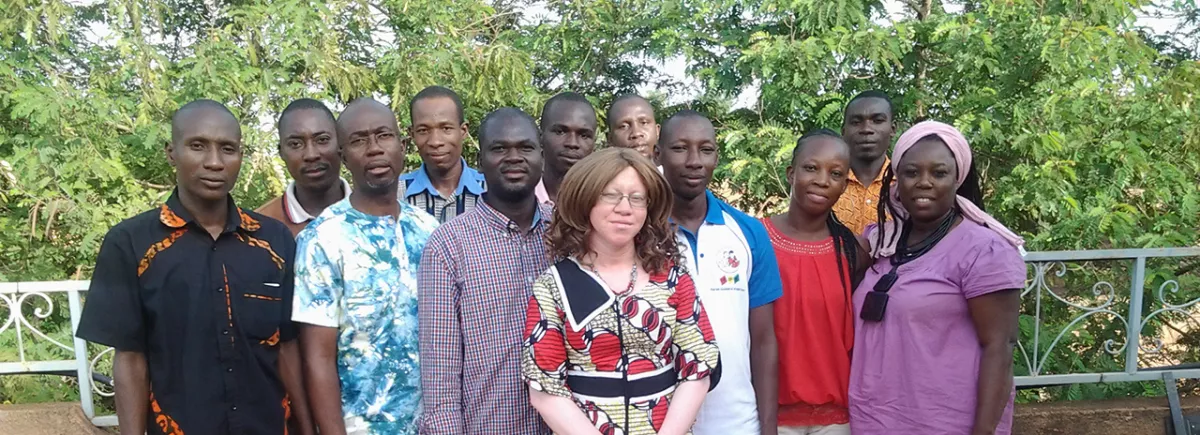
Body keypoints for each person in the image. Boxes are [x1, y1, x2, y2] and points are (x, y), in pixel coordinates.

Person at [76, 99, 312, 435]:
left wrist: (307, 428)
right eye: (198, 146)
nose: (214, 162)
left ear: (240, 156)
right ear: (172, 152)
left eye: (227, 148)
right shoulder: (130, 244)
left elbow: (288, 347)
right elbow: (130, 360)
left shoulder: (275, 241)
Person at [523, 147, 720, 434]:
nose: (625, 208)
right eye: (610, 195)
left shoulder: (672, 277)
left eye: (637, 198)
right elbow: (545, 388)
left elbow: (698, 365)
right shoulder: (553, 286)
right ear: (585, 199)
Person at [850, 121, 1025, 435]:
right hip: (873, 421)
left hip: (945, 423)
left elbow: (999, 349)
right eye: (912, 172)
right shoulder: (880, 242)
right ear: (896, 178)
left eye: (939, 173)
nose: (924, 182)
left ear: (957, 179)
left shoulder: (983, 250)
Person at [292, 98, 439, 435]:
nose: (374, 149)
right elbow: (317, 358)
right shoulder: (323, 238)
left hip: (435, 424)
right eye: (358, 140)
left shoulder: (430, 231)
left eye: (383, 136)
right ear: (343, 157)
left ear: (402, 147)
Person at [418, 108, 552, 434]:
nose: (514, 157)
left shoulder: (568, 234)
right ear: (480, 159)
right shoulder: (448, 246)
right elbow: (441, 379)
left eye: (525, 147)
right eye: (499, 148)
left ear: (542, 156)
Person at [657, 110, 782, 435]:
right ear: (658, 154)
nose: (694, 161)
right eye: (680, 148)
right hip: (658, 423)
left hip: (737, 424)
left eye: (706, 149)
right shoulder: (639, 234)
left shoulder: (748, 232)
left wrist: (767, 428)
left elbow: (764, 341)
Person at [762, 130, 870, 435]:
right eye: (811, 168)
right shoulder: (755, 240)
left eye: (835, 173)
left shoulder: (854, 250)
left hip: (836, 418)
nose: (823, 180)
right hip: (771, 416)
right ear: (791, 173)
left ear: (844, 184)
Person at [258, 98, 351, 236]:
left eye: (322, 140)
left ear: (340, 144)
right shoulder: (259, 227)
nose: (311, 155)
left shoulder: (376, 214)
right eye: (296, 144)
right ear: (281, 152)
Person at [399, 85, 486, 223]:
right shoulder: (395, 195)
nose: (435, 141)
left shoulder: (490, 192)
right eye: (423, 130)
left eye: (446, 128)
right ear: (412, 134)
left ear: (463, 131)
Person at [835, 90, 896, 234]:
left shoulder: (906, 184)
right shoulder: (827, 183)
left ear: (892, 129)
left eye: (877, 121)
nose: (866, 129)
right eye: (856, 122)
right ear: (844, 131)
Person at [535, 91, 597, 205]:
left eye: (584, 135)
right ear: (540, 137)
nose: (572, 143)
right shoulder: (518, 199)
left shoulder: (601, 203)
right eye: (560, 132)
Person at [606, 93, 659, 162]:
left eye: (644, 123)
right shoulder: (599, 172)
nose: (636, 133)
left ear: (657, 131)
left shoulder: (672, 172)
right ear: (610, 139)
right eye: (624, 126)